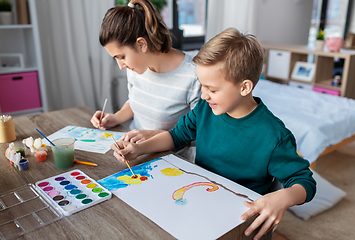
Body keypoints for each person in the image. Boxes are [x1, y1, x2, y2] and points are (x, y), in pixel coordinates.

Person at [111, 28, 316, 239]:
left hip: (240, 223)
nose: (204, 95)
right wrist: (139, 148)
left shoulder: (274, 136)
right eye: (202, 86)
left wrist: (282, 198)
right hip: (198, 202)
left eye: (212, 89)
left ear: (244, 87)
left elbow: (305, 181)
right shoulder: (204, 109)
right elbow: (175, 136)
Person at [91, 0, 201, 144]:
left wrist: (155, 136)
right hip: (134, 150)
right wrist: (115, 118)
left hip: (171, 158)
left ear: (141, 44)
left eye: (122, 57)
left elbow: (198, 132)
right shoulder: (136, 67)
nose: (121, 66)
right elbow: (136, 102)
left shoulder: (193, 75)